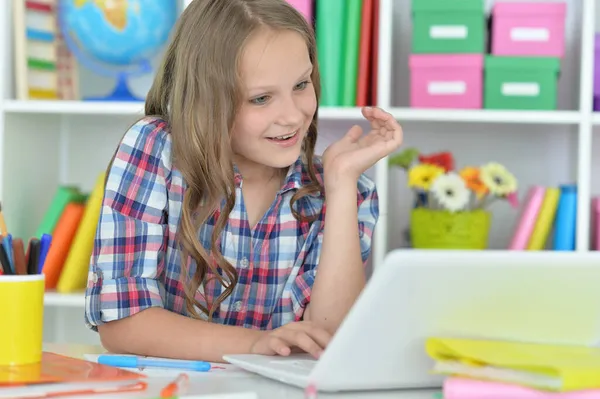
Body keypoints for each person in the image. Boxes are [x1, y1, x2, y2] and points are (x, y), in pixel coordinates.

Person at [84, 0, 403, 363]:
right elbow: (123, 323)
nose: (293, 115)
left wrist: (342, 184)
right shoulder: (156, 149)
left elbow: (331, 340)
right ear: (206, 99)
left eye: (301, 84)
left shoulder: (340, 190)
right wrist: (253, 344)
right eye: (261, 98)